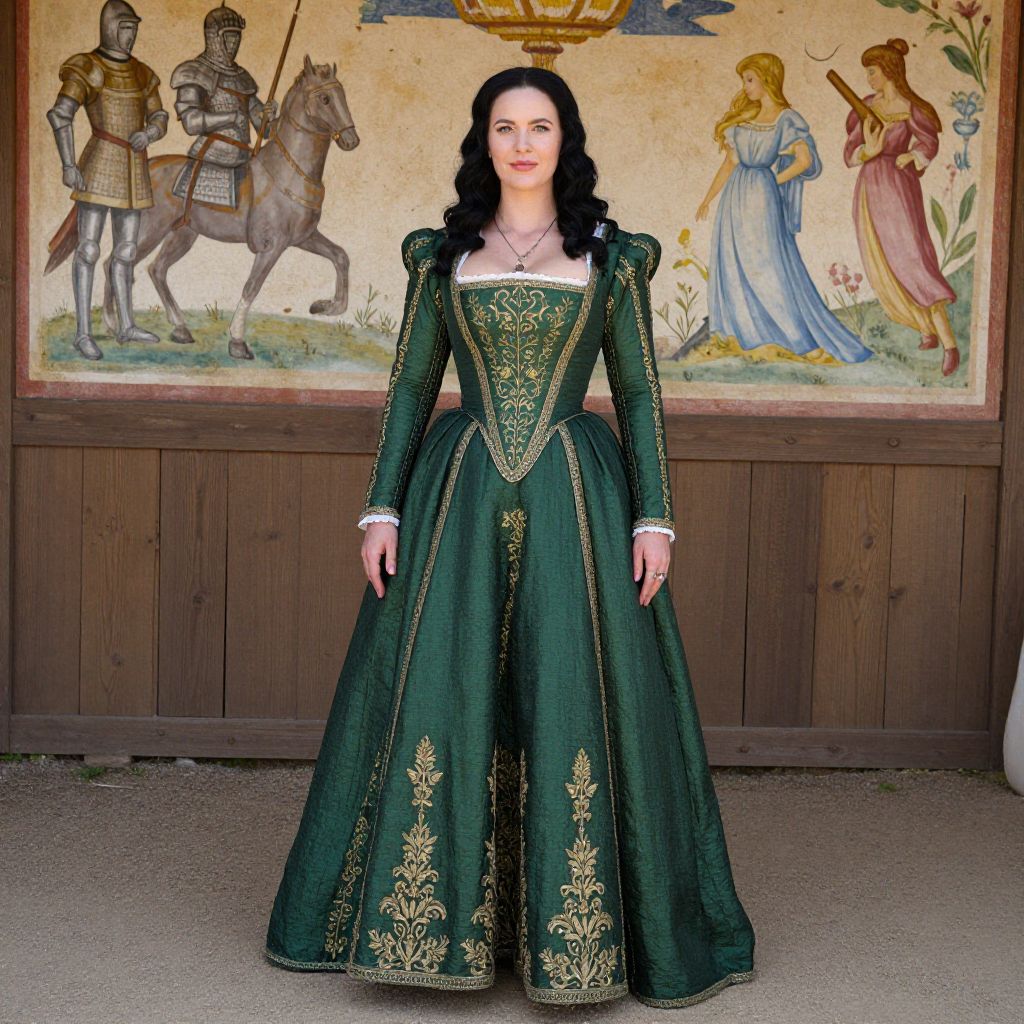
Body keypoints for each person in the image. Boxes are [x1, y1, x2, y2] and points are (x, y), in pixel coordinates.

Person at [264, 66, 756, 1009]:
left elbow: (641, 390)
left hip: (578, 493)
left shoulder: (612, 256)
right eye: (505, 126)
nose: (523, 142)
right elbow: (412, 385)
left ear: (565, 139)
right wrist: (381, 506)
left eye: (540, 126)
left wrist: (656, 516)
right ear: (483, 140)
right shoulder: (442, 254)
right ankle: (434, 925)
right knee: (445, 686)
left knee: (574, 684)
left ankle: (576, 939)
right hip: (461, 491)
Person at [696, 52, 873, 365]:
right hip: (735, 198)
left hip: (762, 197)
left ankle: (798, 339)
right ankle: (750, 333)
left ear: (767, 80)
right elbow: (730, 163)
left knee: (768, 265)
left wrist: (771, 181)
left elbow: (805, 161)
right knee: (736, 263)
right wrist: (708, 198)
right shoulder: (744, 121)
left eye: (750, 79)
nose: (745, 86)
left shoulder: (786, 120)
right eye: (744, 80)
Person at [45, 0, 168, 361]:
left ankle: (125, 325)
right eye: (126, 27)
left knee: (127, 252)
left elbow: (159, 113)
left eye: (134, 28)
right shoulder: (89, 67)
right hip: (99, 164)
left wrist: (151, 131)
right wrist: (68, 163)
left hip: (133, 169)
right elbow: (60, 115)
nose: (131, 35)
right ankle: (83, 333)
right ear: (110, 27)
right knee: (88, 249)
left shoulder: (143, 73)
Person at [843, 38, 960, 377]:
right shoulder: (864, 107)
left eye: (872, 71)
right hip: (871, 187)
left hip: (899, 185)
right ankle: (925, 330)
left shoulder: (910, 107)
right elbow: (850, 152)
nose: (869, 79)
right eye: (867, 72)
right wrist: (869, 149)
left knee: (914, 259)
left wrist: (913, 154)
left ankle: (950, 344)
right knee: (884, 260)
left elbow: (929, 141)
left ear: (889, 71)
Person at [169, 2, 278, 219]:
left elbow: (264, 131)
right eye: (229, 37)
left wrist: (269, 115)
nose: (234, 42)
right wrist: (230, 117)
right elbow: (191, 123)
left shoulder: (242, 77)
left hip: (245, 159)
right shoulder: (194, 71)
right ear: (214, 38)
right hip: (211, 157)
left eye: (237, 37)